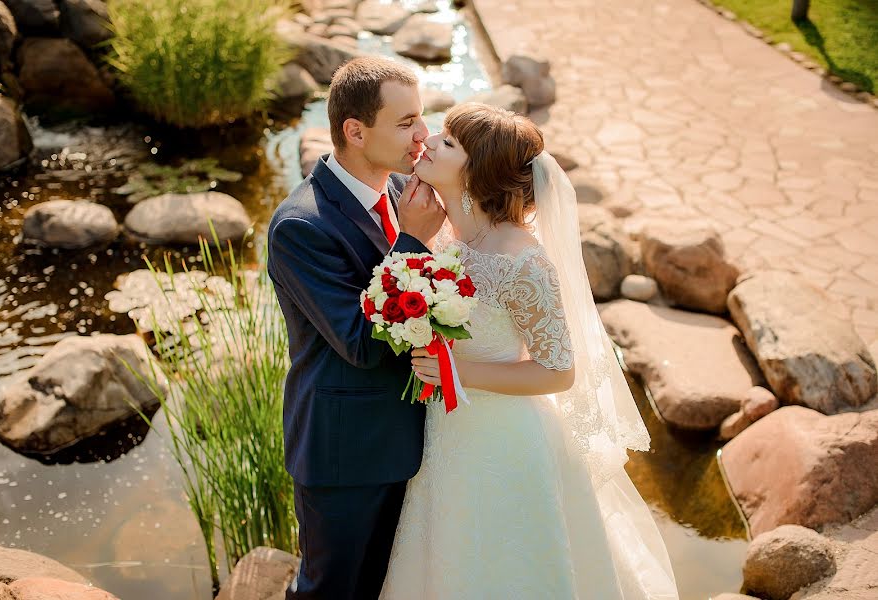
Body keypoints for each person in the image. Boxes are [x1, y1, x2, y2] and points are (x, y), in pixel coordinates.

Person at [379, 102, 681, 599]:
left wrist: (457, 371)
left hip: (505, 439)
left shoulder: (521, 261)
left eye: (449, 143)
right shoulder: (446, 236)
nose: (429, 139)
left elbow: (559, 372)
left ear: (479, 171)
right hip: (448, 433)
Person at [265, 56, 446, 600]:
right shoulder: (302, 226)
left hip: (409, 439)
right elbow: (362, 344)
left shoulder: (397, 193)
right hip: (345, 453)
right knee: (331, 590)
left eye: (422, 117)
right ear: (354, 131)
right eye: (406, 121)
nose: (423, 134)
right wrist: (414, 243)